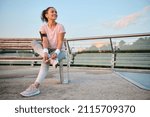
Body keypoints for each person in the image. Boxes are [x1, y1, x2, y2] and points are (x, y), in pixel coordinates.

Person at [20, 7, 66, 97]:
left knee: (45, 61)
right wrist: (45, 52)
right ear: (46, 15)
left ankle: (35, 86)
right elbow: (44, 41)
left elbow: (60, 42)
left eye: (56, 12)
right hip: (48, 51)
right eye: (52, 11)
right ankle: (51, 60)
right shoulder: (43, 27)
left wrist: (56, 53)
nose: (55, 13)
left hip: (60, 51)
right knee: (33, 42)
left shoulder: (60, 26)